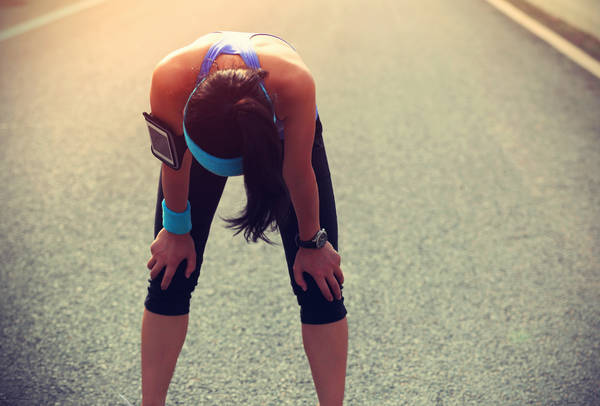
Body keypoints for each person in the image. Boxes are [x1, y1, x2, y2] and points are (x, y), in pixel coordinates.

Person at [141, 31, 348, 406]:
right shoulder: (170, 79)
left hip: (277, 129)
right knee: (168, 272)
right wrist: (174, 230)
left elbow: (299, 173)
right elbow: (173, 161)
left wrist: (313, 243)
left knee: (321, 283)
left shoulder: (293, 86)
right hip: (205, 120)